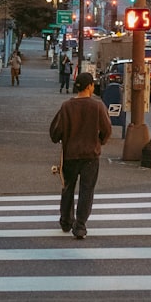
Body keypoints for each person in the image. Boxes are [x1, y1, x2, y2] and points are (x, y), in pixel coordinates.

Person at [49, 72, 112, 239]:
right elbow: (107, 129)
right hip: (90, 154)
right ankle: (80, 226)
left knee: (68, 187)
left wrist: (64, 138)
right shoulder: (97, 106)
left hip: (70, 153)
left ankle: (66, 220)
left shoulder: (66, 106)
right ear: (90, 86)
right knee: (87, 190)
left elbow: (55, 132)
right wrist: (99, 141)